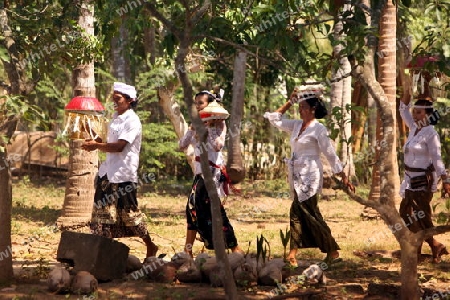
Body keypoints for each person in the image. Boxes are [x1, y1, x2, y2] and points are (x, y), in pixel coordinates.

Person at [264, 88, 355, 267]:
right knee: (308, 213)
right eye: (299, 106)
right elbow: (274, 118)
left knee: (300, 212)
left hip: (311, 175)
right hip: (297, 174)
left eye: (303, 106)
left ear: (313, 109)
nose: (300, 109)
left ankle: (294, 254)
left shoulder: (319, 129)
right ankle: (330, 251)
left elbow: (329, 153)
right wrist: (290, 101)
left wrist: (343, 175)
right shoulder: (296, 125)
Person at [81, 82, 158, 258]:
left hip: (123, 174)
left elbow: (119, 147)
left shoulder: (133, 121)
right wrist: (89, 131)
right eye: (113, 99)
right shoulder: (115, 118)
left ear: (130, 101)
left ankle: (150, 245)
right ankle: (103, 255)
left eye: (118, 99)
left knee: (130, 214)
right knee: (101, 213)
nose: (114, 102)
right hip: (107, 173)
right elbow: (103, 140)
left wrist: (96, 146)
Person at [179, 90, 242, 257]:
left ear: (210, 105)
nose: (198, 106)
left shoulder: (220, 124)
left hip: (211, 175)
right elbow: (182, 145)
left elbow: (217, 146)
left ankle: (233, 247)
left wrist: (211, 126)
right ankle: (189, 250)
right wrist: (192, 130)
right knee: (194, 210)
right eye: (196, 103)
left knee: (212, 211)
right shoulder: (196, 124)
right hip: (199, 175)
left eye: (201, 103)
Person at [399, 97, 450, 263]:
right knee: (407, 213)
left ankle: (418, 252)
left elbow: (437, 159)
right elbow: (403, 111)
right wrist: (406, 95)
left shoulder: (431, 134)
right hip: (409, 178)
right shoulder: (414, 128)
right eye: (414, 111)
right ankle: (434, 244)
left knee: (422, 215)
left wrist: (446, 180)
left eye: (419, 112)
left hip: (423, 180)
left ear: (428, 115)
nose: (415, 115)